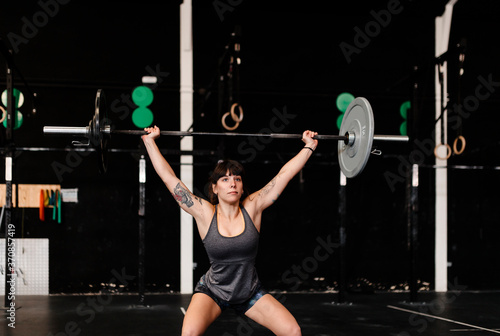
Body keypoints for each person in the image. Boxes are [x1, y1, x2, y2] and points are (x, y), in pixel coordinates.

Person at [142, 126, 318, 336]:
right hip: (213, 291)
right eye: (225, 179)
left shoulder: (253, 207)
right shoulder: (205, 212)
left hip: (249, 292)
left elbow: (284, 175)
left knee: (292, 330)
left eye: (237, 179)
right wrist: (150, 142)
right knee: (189, 334)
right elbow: (170, 179)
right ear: (215, 188)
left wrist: (309, 146)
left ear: (242, 187)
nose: (232, 183)